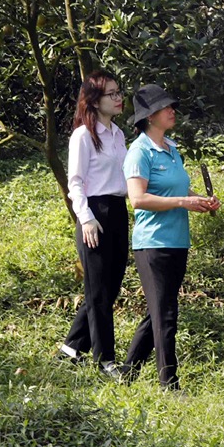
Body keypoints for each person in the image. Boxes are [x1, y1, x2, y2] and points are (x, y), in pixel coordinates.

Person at [123, 84, 219, 390]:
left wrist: (198, 201)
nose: (172, 111)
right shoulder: (139, 152)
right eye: (166, 107)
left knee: (158, 311)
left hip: (178, 240)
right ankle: (169, 382)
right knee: (165, 313)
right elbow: (137, 199)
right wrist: (182, 203)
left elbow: (177, 190)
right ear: (150, 117)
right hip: (152, 243)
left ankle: (127, 371)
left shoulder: (171, 148)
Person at [59, 70, 130, 379]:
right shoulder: (83, 136)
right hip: (95, 212)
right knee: (98, 291)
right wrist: (85, 218)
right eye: (111, 94)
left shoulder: (117, 134)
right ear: (93, 100)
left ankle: (71, 348)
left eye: (118, 92)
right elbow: (75, 183)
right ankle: (105, 360)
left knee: (109, 287)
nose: (118, 98)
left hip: (118, 209)